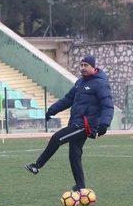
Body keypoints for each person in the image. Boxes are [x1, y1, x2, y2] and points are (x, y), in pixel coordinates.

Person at [24, 54, 114, 191]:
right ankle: (80, 187)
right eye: (81, 65)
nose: (83, 68)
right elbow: (68, 100)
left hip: (86, 125)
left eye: (86, 65)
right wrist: (52, 110)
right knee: (74, 154)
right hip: (76, 122)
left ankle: (37, 166)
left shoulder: (100, 83)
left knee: (57, 138)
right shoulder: (80, 82)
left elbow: (107, 105)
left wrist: (104, 124)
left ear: (93, 67)